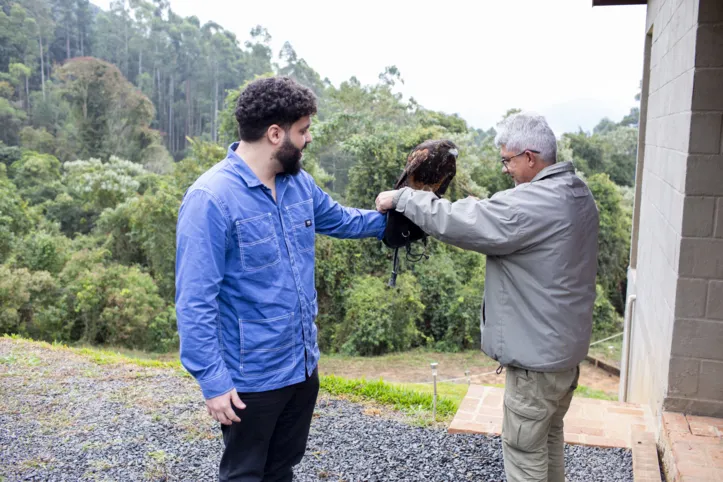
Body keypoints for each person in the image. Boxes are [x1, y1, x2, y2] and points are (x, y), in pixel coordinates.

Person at [175, 76, 386, 482]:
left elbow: (340, 218)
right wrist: (214, 383)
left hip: (302, 367)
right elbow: (194, 301)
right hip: (250, 378)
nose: (307, 140)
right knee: (244, 474)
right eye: (303, 131)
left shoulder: (298, 184)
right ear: (276, 134)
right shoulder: (211, 199)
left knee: (281, 468)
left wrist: (390, 224)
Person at [375, 112, 600, 482]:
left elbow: (465, 224)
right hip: (564, 356)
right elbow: (500, 216)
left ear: (530, 157)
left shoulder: (534, 203)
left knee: (524, 454)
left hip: (536, 365)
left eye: (507, 161)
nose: (505, 170)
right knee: (548, 441)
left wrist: (404, 198)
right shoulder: (576, 192)